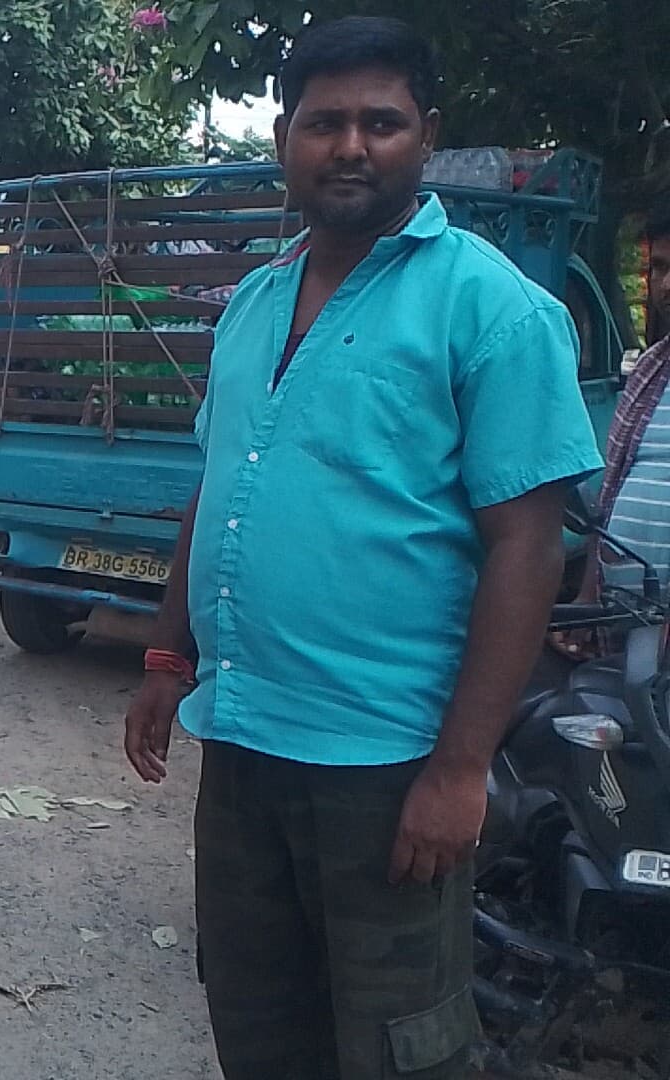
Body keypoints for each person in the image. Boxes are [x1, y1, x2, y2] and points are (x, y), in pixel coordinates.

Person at [119, 18, 602, 1080]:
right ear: (283, 137)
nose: (351, 146)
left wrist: (462, 768)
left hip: (386, 768)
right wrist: (167, 658)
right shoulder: (252, 303)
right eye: (324, 122)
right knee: (260, 1024)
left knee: (397, 1049)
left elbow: (527, 546)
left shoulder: (494, 309)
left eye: (379, 123)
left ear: (424, 136)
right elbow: (222, 487)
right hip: (243, 745)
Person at [574, 210, 670, 602]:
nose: (666, 285)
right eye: (660, 268)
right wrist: (586, 599)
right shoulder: (651, 370)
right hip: (624, 619)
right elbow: (609, 494)